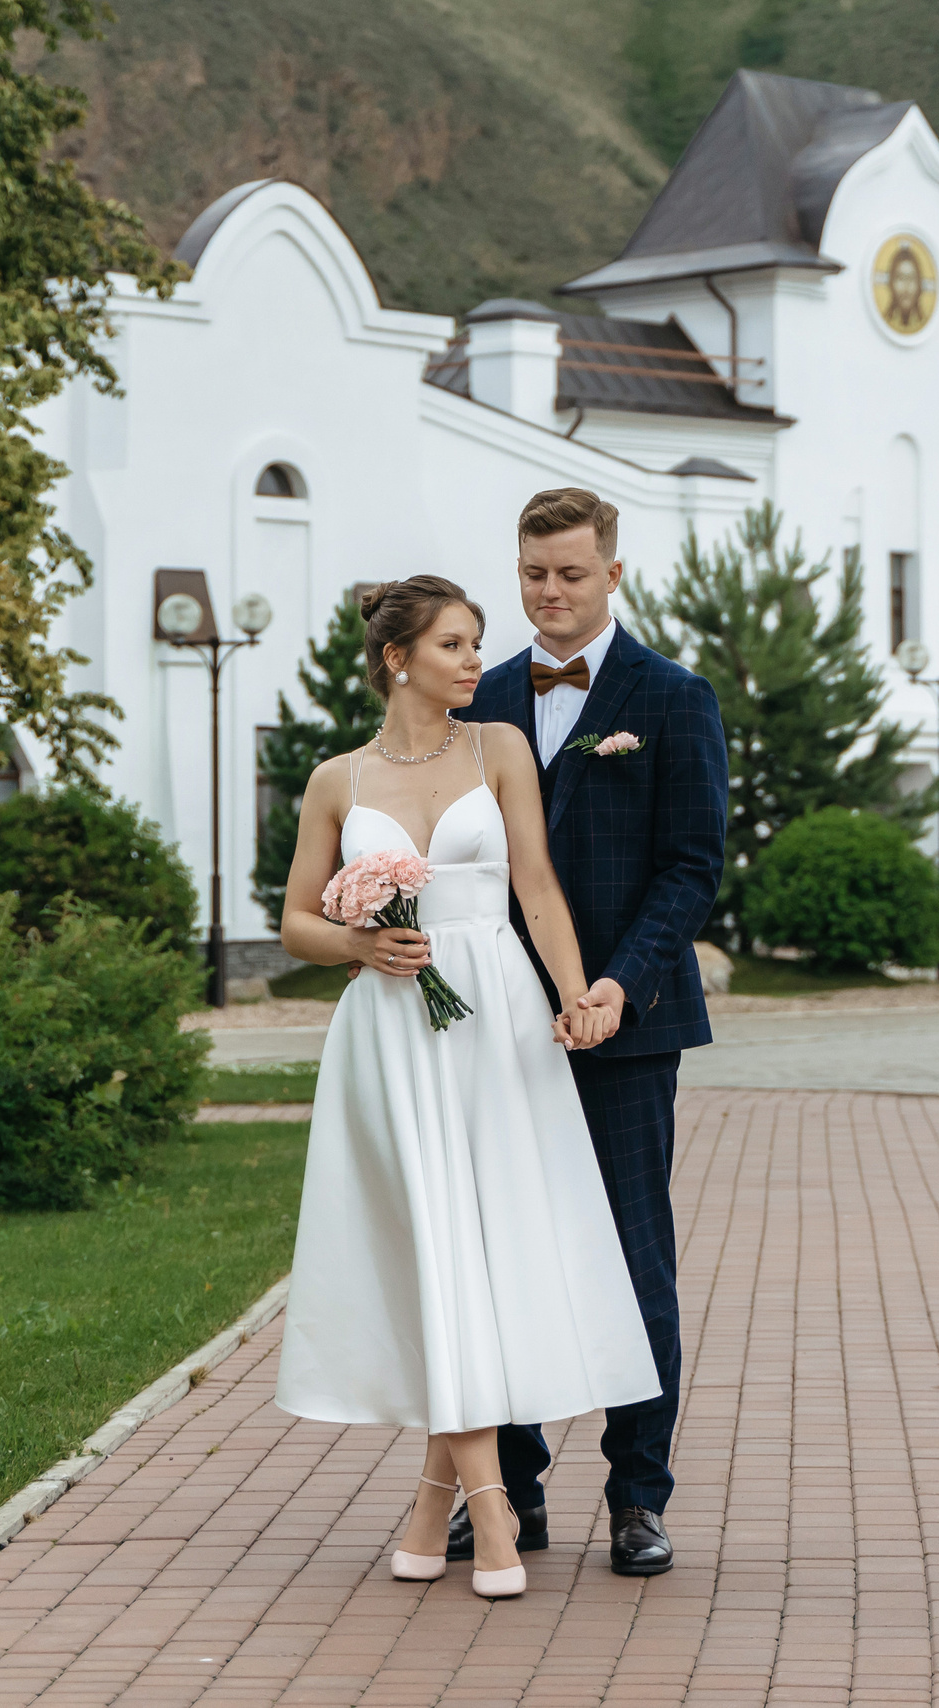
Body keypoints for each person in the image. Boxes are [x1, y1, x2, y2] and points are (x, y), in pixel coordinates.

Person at [274, 574, 663, 1600]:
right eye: (452, 643)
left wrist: (579, 999)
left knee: (484, 1257)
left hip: (493, 1020)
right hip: (394, 1032)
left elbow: (535, 886)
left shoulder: (500, 750)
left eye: (474, 642)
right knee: (440, 1254)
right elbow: (295, 926)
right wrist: (362, 938)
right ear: (397, 658)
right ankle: (490, 1516)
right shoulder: (334, 780)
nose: (471, 659)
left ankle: (430, 1514)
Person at [454, 488, 727, 1577]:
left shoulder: (672, 697)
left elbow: (691, 866)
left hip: (627, 1022)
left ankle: (638, 1495)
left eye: (569, 573)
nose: (549, 593)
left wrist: (618, 981)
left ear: (613, 572)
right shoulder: (472, 697)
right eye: (532, 574)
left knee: (630, 1257)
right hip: (489, 1026)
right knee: (500, 1253)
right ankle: (508, 1488)